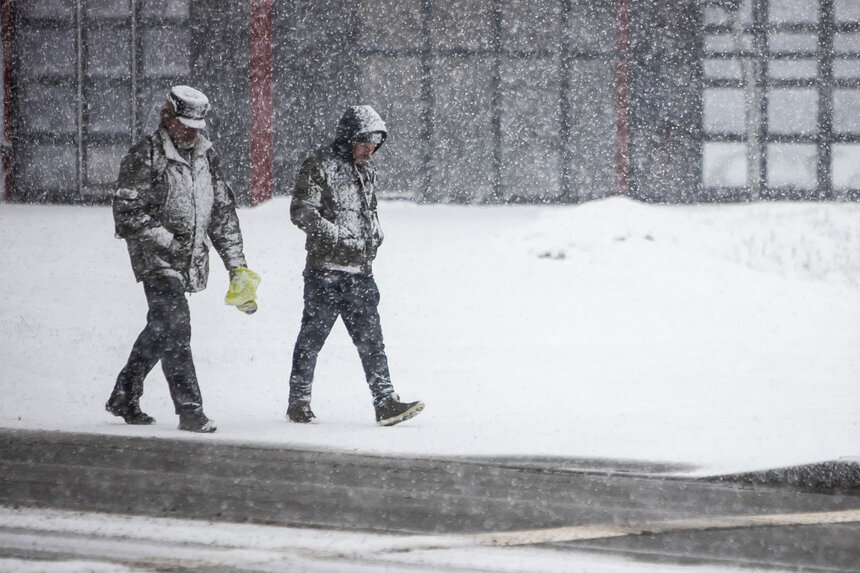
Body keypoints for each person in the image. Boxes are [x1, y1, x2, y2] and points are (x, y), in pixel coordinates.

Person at [106, 85, 259, 433]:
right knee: (176, 326)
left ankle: (124, 393)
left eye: (196, 126)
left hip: (188, 258)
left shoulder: (207, 157)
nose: (191, 132)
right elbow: (126, 212)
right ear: (167, 118)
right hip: (155, 259)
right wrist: (167, 241)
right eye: (185, 124)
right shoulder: (146, 155)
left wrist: (237, 268)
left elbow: (222, 215)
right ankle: (190, 410)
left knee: (161, 329)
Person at [287, 105, 424, 426]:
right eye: (364, 142)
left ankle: (386, 402)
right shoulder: (320, 165)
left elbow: (369, 212)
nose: (370, 149)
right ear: (348, 138)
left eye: (375, 143)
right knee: (312, 338)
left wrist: (374, 235)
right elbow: (301, 211)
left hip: (361, 273)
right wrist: (338, 236)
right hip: (325, 272)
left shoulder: (366, 171)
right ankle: (299, 400)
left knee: (372, 341)